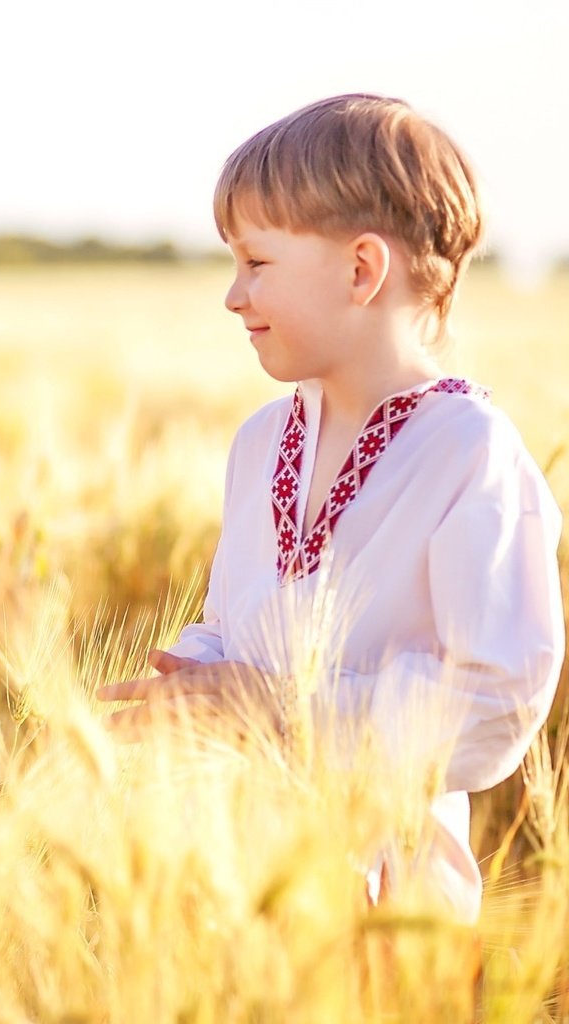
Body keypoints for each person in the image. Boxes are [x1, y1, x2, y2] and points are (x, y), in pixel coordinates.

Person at [97, 95, 563, 921]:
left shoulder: (470, 453)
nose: (233, 296)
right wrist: (191, 682)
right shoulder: (260, 442)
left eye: (257, 263)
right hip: (237, 892)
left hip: (389, 920)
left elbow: (496, 703)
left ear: (360, 270)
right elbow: (240, 622)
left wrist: (280, 710)